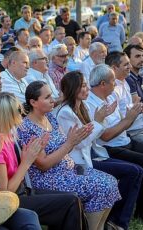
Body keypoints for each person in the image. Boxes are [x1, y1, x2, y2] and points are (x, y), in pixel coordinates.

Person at [18, 80, 120, 230]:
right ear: (33, 102)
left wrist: (74, 139)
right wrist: (69, 143)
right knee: (102, 186)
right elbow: (43, 165)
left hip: (69, 171)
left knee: (110, 181)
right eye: (47, 97)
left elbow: (64, 146)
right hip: (49, 179)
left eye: (51, 96)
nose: (53, 100)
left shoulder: (50, 118)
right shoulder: (27, 127)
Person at [0, 92, 88, 230]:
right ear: (7, 114)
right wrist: (27, 161)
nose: (23, 113)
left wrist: (34, 151)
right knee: (70, 202)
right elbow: (5, 192)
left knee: (72, 200)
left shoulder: (6, 134)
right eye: (19, 110)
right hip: (9, 201)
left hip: (21, 192)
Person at [57, 71, 143, 230]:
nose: (86, 89)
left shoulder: (80, 106)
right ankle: (116, 222)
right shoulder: (65, 113)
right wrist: (98, 121)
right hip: (79, 163)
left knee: (135, 171)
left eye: (86, 85)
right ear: (73, 88)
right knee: (132, 171)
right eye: (82, 86)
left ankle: (115, 222)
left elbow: (89, 138)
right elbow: (79, 144)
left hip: (94, 155)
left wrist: (99, 120)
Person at [86, 64, 143, 220]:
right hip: (110, 148)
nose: (116, 83)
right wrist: (129, 119)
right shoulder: (91, 104)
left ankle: (137, 210)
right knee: (137, 167)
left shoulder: (111, 96)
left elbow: (122, 122)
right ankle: (120, 217)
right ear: (103, 84)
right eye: (113, 81)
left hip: (124, 140)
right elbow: (105, 136)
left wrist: (133, 114)